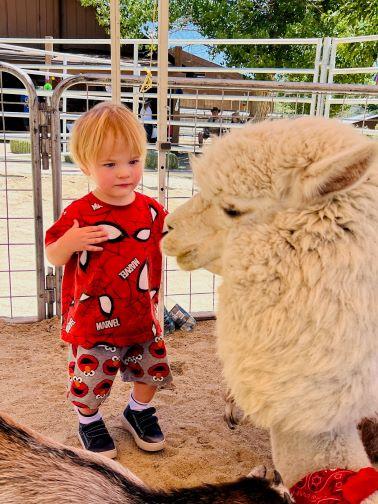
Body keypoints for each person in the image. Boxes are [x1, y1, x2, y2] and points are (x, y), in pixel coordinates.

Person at [45, 102, 172, 459]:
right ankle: (89, 420)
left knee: (151, 372)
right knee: (90, 381)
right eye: (110, 164)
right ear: (86, 165)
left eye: (133, 161)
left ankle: (138, 410)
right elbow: (53, 253)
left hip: (141, 315)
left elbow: (171, 238)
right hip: (93, 319)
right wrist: (70, 243)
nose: (124, 173)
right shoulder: (79, 212)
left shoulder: (151, 208)